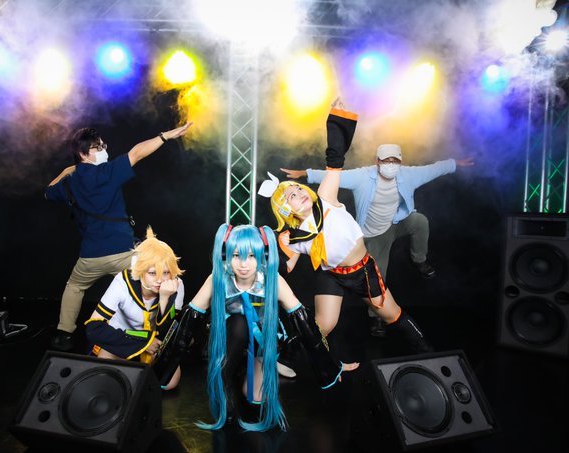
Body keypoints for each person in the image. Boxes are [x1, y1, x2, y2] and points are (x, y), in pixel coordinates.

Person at [260, 97, 433, 361]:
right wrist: (271, 249)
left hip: (362, 270)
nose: (299, 192)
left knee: (391, 314)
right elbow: (286, 267)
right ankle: (274, 359)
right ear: (285, 209)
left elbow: (335, 159)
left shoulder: (325, 198)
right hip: (331, 275)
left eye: (298, 188)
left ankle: (429, 354)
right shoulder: (293, 237)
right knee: (323, 325)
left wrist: (337, 120)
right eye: (291, 196)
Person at [154, 224, 359, 431]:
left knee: (257, 398)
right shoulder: (218, 278)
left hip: (261, 342)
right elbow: (188, 322)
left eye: (251, 256)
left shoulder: (272, 280)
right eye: (236, 255)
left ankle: (247, 367)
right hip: (228, 340)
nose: (244, 264)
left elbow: (304, 323)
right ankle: (226, 375)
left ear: (263, 255)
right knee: (239, 323)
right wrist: (162, 368)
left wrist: (329, 366)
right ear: (226, 255)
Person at [280, 146, 474, 335]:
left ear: (400, 162)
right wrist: (304, 174)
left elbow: (433, 170)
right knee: (377, 273)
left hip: (397, 221)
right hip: (375, 233)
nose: (391, 164)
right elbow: (333, 176)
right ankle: (377, 317)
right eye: (386, 160)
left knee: (420, 221)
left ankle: (419, 260)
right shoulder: (363, 177)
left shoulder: (408, 175)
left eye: (394, 160)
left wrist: (454, 163)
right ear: (377, 161)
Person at [45, 122, 192, 351]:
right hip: (123, 253)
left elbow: (48, 192)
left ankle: (63, 334)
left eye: (103, 145)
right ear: (83, 154)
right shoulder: (107, 172)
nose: (104, 150)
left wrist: (68, 170)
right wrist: (165, 136)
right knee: (153, 280)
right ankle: (159, 332)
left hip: (90, 257)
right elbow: (136, 153)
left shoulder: (70, 183)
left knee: (74, 286)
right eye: (97, 147)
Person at [84, 227, 185, 390]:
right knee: (105, 377)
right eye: (152, 273)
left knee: (168, 383)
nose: (160, 280)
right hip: (122, 337)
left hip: (155, 342)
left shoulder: (175, 285)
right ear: (139, 270)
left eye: (166, 272)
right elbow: (93, 328)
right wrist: (144, 342)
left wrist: (165, 299)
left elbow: (167, 333)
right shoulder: (122, 282)